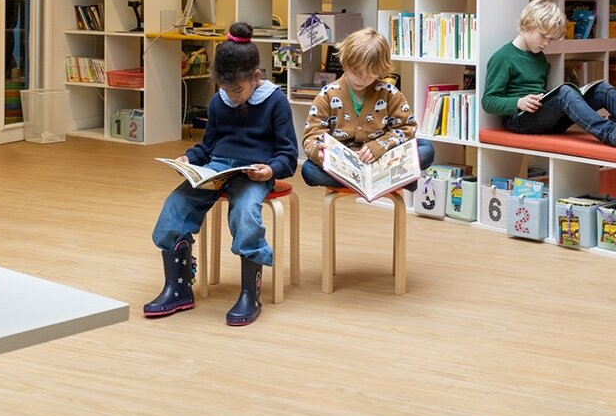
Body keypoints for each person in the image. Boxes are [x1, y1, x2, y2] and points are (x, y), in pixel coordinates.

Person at [144, 22, 297, 326]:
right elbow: (208, 146)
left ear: (256, 76)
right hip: (217, 167)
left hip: (253, 172)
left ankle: (249, 294)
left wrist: (270, 169)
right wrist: (189, 159)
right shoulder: (219, 102)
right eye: (225, 88)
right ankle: (179, 288)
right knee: (175, 207)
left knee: (245, 214)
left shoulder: (276, 102)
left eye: (237, 89)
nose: (232, 95)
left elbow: (288, 156)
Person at [480, 0, 616, 149]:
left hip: (545, 118)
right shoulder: (503, 57)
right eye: (543, 36)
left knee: (602, 89)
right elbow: (488, 101)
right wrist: (519, 102)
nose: (546, 43)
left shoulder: (539, 57)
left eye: (550, 40)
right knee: (564, 92)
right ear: (527, 25)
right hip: (519, 120)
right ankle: (611, 134)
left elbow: (540, 90)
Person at [299, 27, 435, 190]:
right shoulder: (328, 94)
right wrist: (319, 152)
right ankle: (383, 182)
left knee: (426, 149)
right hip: (345, 166)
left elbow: (407, 128)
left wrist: (379, 146)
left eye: (370, 75)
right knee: (308, 170)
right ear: (345, 61)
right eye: (356, 72)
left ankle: (370, 181)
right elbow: (312, 135)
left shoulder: (389, 93)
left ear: (380, 71)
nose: (362, 79)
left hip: (382, 161)